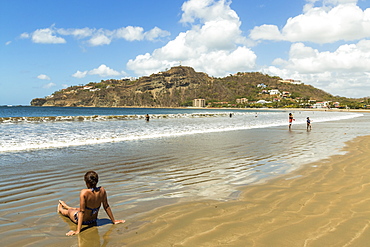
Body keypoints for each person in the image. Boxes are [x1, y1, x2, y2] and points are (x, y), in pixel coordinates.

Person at [58, 171, 125, 236]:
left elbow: (82, 212)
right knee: (78, 209)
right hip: (93, 220)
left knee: (69, 212)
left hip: (83, 221)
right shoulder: (102, 190)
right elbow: (106, 206)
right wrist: (113, 221)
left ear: (87, 183)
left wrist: (78, 231)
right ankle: (66, 206)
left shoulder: (84, 192)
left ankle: (61, 208)